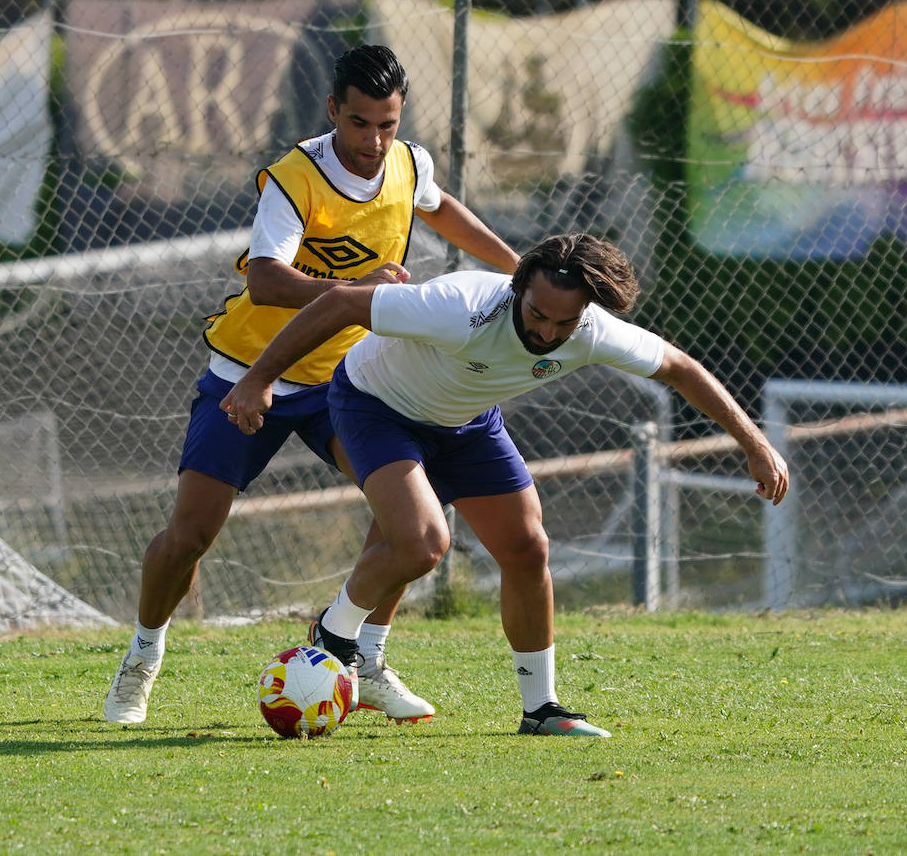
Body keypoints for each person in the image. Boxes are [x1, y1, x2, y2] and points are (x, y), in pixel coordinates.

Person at [221, 232, 790, 737]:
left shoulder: (591, 332)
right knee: (422, 543)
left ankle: (540, 708)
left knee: (527, 547)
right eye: (538, 313)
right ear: (518, 287)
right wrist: (258, 380)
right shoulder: (459, 306)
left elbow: (681, 368)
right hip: (377, 405)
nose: (547, 332)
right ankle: (336, 634)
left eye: (563, 323)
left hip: (467, 422)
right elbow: (342, 303)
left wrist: (755, 443)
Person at [103, 44, 519, 725]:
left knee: (407, 524)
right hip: (249, 373)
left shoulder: (409, 164)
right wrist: (355, 291)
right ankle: (143, 656)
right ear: (333, 111)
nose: (374, 140)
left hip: (350, 384)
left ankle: (364, 657)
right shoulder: (296, 175)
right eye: (359, 124)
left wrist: (521, 270)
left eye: (387, 124)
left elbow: (441, 208)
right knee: (189, 537)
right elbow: (265, 279)